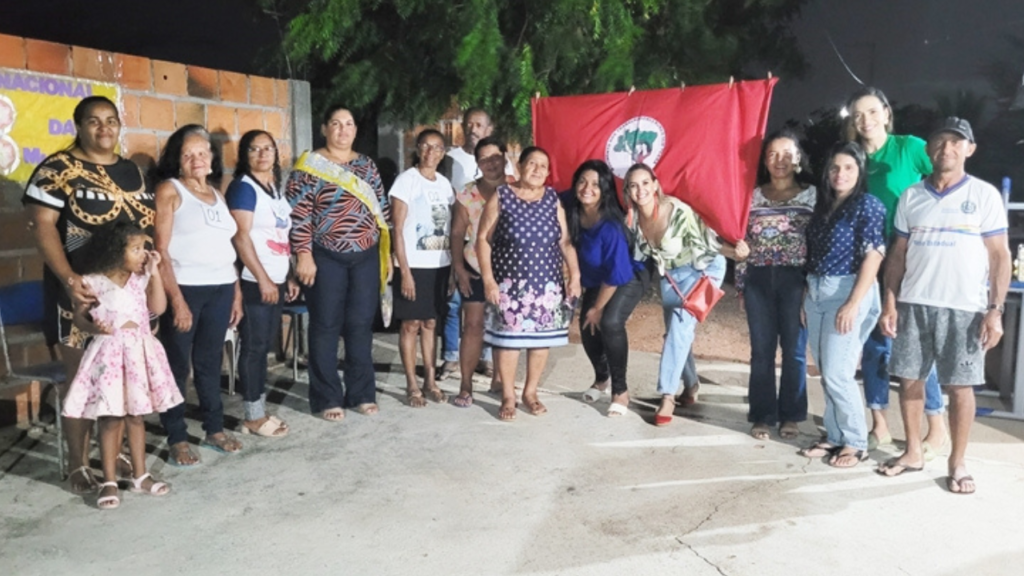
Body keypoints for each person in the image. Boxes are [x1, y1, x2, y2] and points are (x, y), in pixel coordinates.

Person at [23, 95, 153, 493]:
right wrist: (67, 277)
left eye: (111, 120)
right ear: (78, 126)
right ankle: (79, 464)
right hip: (78, 293)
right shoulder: (57, 169)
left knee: (125, 378)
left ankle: (118, 457)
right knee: (83, 379)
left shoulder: (132, 170)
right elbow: (43, 225)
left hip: (128, 297)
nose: (104, 128)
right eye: (94, 121)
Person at [877, 118, 1010, 494]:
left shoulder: (984, 196)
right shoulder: (912, 197)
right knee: (909, 380)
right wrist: (890, 301)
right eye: (939, 141)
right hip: (914, 304)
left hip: (964, 309)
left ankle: (957, 462)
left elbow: (999, 255)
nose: (946, 148)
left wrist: (994, 309)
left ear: (969, 149)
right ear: (928, 149)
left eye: (956, 142)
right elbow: (897, 255)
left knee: (961, 387)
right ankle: (914, 451)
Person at [846, 87, 947, 453]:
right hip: (866, 261)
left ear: (886, 113)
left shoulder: (909, 147)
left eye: (872, 112)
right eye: (858, 115)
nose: (865, 120)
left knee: (914, 345)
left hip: (911, 260)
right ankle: (880, 423)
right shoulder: (854, 158)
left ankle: (935, 424)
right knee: (874, 346)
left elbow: (945, 179)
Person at [61, 222, 182, 509]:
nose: (143, 254)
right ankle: (109, 481)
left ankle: (141, 475)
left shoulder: (140, 279)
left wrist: (153, 274)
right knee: (111, 417)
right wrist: (93, 325)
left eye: (144, 248)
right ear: (116, 251)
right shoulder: (93, 282)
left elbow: (159, 308)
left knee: (137, 416)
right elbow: (78, 319)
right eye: (136, 249)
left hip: (139, 351)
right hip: (110, 356)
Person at [286, 105, 391, 421]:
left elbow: (381, 209)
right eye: (336, 123)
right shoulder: (308, 167)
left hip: (365, 257)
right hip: (325, 256)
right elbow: (298, 214)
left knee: (360, 326)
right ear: (324, 128)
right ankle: (326, 397)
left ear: (356, 130)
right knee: (326, 326)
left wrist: (390, 255)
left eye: (349, 124)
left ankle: (361, 393)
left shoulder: (367, 165)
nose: (343, 130)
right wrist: (303, 254)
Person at [154, 124, 243, 465]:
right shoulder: (170, 190)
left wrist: (235, 291)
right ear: (178, 161)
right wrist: (176, 300)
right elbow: (160, 249)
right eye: (188, 154)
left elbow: (226, 249)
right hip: (186, 288)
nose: (197, 159)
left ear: (211, 158)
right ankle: (176, 436)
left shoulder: (218, 193)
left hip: (221, 288)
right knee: (177, 365)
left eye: (202, 153)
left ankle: (214, 429)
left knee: (209, 362)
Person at [798, 142, 886, 468]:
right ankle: (834, 436)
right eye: (835, 167)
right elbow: (813, 257)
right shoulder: (823, 208)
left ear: (860, 171)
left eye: (849, 167)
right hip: (818, 291)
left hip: (849, 289)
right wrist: (808, 296)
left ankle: (855, 441)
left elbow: (874, 255)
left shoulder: (868, 206)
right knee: (827, 371)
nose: (841, 173)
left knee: (838, 372)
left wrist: (852, 303)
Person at [478, 146, 581, 421]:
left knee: (540, 341)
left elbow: (565, 242)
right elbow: (482, 240)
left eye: (543, 166)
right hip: (510, 286)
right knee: (509, 342)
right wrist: (488, 280)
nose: (537, 170)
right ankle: (509, 395)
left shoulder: (552, 199)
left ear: (548, 173)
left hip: (547, 286)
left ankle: (530, 392)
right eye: (532, 164)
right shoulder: (502, 196)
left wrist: (575, 276)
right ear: (519, 166)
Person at [735, 130, 816, 440]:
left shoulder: (813, 195)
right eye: (772, 154)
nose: (779, 160)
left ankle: (792, 415)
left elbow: (818, 241)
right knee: (761, 351)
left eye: (786, 154)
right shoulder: (750, 196)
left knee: (795, 351)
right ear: (764, 160)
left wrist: (812, 285)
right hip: (758, 279)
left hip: (797, 281)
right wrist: (741, 284)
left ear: (797, 159)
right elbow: (742, 240)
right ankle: (763, 415)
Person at [227, 130, 298, 437]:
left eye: (267, 148)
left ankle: (260, 407)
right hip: (255, 281)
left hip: (277, 279)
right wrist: (264, 279)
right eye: (254, 149)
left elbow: (280, 235)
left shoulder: (272, 188)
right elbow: (240, 237)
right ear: (245, 155)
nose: (262, 154)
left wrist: (290, 274)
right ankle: (252, 417)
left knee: (263, 347)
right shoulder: (243, 189)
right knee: (254, 348)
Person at [566, 160, 647, 417]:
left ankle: (620, 391)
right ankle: (601, 380)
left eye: (595, 184)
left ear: (605, 190)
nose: (587, 188)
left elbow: (616, 275)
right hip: (597, 279)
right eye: (582, 181)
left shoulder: (611, 226)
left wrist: (597, 308)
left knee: (608, 322)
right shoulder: (571, 210)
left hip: (626, 276)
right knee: (587, 330)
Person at [438, 108, 506, 380]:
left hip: (505, 262)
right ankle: (453, 359)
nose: (472, 128)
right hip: (470, 253)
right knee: (464, 313)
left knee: (501, 319)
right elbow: (456, 231)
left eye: (479, 124)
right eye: (469, 124)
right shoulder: (453, 163)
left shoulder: (512, 186)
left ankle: (492, 366)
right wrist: (458, 266)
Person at [390, 129, 455, 407]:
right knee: (411, 325)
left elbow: (452, 230)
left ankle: (431, 380)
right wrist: (404, 271)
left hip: (439, 265)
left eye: (438, 147)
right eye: (426, 146)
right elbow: (398, 229)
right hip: (413, 265)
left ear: (443, 153)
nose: (431, 152)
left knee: (430, 323)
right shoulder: (406, 181)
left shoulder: (444, 185)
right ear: (418, 149)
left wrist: (452, 270)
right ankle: (412, 384)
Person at [450, 136, 507, 407]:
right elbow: (458, 233)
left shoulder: (517, 190)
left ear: (505, 157)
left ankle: (501, 381)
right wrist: (458, 268)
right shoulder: (467, 194)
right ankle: (465, 384)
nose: (491, 163)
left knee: (504, 327)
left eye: (495, 157)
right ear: (477, 163)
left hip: (510, 271)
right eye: (484, 159)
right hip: (474, 269)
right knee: (472, 326)